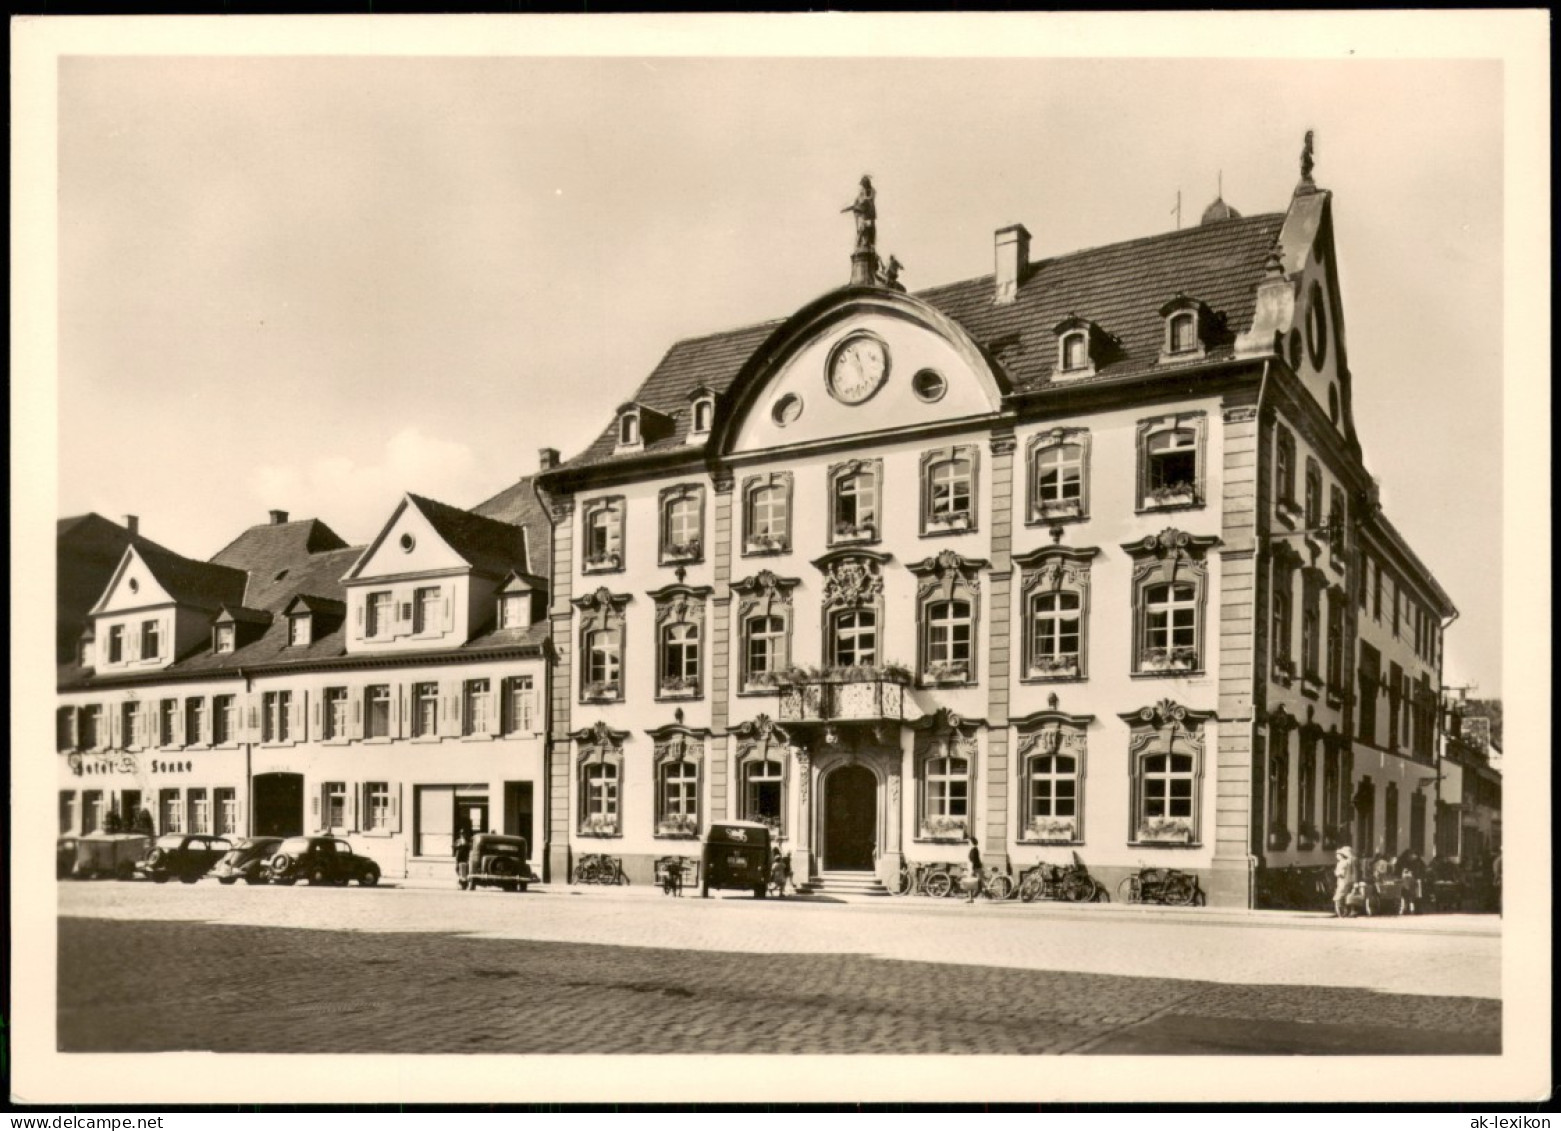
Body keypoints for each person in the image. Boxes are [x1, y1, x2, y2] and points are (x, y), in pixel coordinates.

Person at [1332, 844, 1356, 918]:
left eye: (1338, 855)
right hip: (1348, 881)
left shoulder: (1342, 863)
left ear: (1341, 855)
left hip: (1342, 882)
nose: (1336, 856)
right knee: (1346, 896)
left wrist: (1336, 872)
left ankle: (1340, 913)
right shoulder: (1349, 862)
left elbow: (1341, 874)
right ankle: (1347, 911)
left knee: (1339, 897)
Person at [964, 836, 984, 903]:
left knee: (971, 882)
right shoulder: (974, 849)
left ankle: (971, 898)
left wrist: (972, 869)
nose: (968, 843)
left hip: (975, 868)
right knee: (977, 882)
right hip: (976, 867)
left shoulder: (974, 850)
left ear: (972, 842)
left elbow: (973, 860)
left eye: (969, 842)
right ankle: (973, 896)